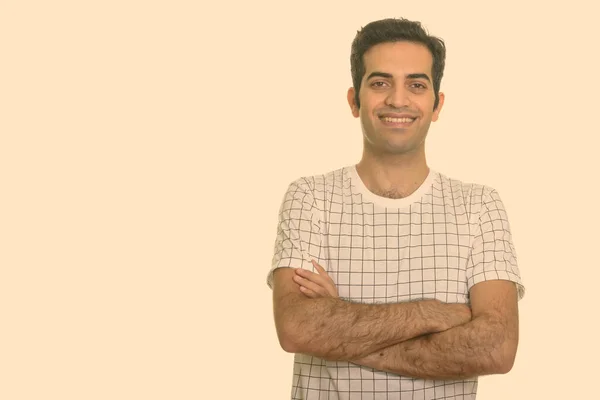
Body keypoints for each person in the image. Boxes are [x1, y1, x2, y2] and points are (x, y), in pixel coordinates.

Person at [266, 17, 525, 400]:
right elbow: (298, 329)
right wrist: (435, 314)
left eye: (416, 85)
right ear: (355, 101)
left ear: (436, 105)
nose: (398, 100)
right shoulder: (310, 197)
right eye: (380, 83)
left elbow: (496, 347)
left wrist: (339, 324)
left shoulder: (479, 206)